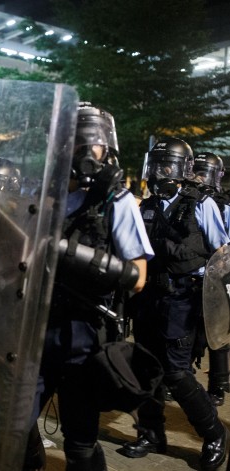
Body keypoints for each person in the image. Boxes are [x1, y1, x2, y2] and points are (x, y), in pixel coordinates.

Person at [25, 103, 153, 471]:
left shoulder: (116, 201)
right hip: (35, 328)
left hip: (85, 333)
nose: (85, 151)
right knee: (12, 429)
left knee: (79, 445)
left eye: (92, 144)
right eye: (76, 143)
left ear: (105, 149)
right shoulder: (44, 196)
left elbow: (139, 275)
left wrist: (71, 254)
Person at [121, 137, 228, 470]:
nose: (160, 173)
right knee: (146, 368)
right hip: (149, 298)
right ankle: (151, 433)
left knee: (177, 373)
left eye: (167, 166)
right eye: (156, 165)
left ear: (183, 169)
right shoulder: (148, 205)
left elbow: (222, 254)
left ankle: (214, 433)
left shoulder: (201, 204)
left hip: (182, 297)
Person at [191, 152, 230, 407]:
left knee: (219, 331)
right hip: (195, 276)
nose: (200, 178)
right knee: (192, 331)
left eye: (205, 174)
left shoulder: (224, 206)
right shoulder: (191, 201)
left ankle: (218, 385)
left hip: (220, 278)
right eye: (197, 172)